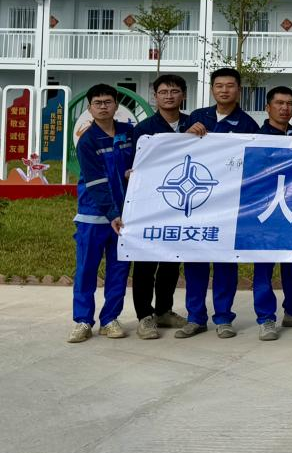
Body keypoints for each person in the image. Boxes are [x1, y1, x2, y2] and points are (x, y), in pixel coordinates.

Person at [176, 67, 259, 340]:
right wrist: (187, 134)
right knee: (195, 262)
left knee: (225, 263)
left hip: (229, 207)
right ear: (212, 89)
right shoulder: (197, 117)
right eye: (219, 86)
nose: (224, 90)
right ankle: (195, 318)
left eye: (230, 86)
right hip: (197, 203)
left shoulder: (248, 125)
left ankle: (223, 318)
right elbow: (176, 152)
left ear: (239, 90)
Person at [67, 84, 136, 343]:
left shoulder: (129, 133)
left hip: (125, 215)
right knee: (86, 269)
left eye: (108, 101)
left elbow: (145, 158)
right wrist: (112, 214)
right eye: (98, 103)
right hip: (94, 216)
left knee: (119, 269)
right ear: (90, 108)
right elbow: (95, 182)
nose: (103, 106)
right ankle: (83, 320)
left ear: (116, 105)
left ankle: (110, 319)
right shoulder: (87, 140)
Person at [128, 74, 190, 340]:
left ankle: (164, 310)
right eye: (163, 92)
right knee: (145, 262)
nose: (169, 96)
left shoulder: (194, 124)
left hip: (182, 204)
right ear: (155, 96)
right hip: (150, 204)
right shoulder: (144, 129)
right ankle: (145, 315)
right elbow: (134, 166)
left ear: (183, 95)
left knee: (171, 260)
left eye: (174, 91)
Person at [251, 85, 292, 340]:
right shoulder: (256, 138)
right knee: (264, 269)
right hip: (265, 214)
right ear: (268, 107)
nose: (285, 108)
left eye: (289, 103)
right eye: (279, 103)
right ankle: (266, 318)